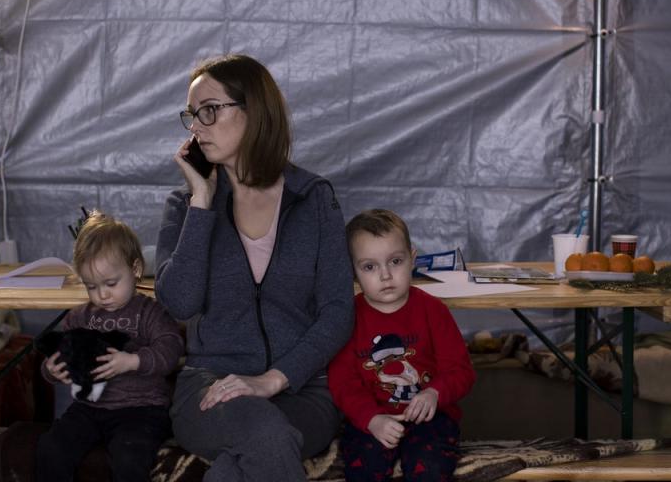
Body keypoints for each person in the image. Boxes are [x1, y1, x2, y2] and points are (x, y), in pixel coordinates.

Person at [155, 54, 354, 482]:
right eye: (192, 115)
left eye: (209, 110)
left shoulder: (314, 198)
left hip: (303, 389)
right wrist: (202, 203)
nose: (196, 126)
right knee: (264, 431)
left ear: (254, 111)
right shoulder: (185, 206)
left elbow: (338, 311)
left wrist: (273, 379)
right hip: (208, 389)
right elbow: (179, 303)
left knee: (239, 465)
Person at [328, 209, 476, 482]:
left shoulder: (433, 310)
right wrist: (371, 419)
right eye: (370, 266)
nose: (385, 275)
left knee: (428, 466)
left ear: (412, 260)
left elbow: (461, 371)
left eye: (395, 261)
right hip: (370, 419)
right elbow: (342, 383)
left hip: (431, 418)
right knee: (365, 466)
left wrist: (435, 392)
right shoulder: (347, 318)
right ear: (353, 272)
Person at [37, 211, 184, 482]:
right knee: (51, 449)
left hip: (142, 411)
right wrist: (51, 370)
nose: (102, 295)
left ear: (136, 269)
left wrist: (133, 361)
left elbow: (171, 349)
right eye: (91, 286)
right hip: (89, 410)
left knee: (130, 459)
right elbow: (59, 356)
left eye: (111, 284)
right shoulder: (81, 316)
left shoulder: (149, 313)